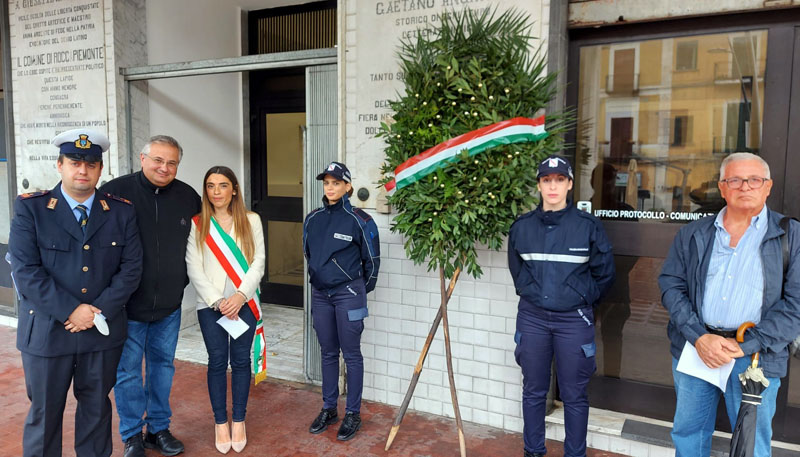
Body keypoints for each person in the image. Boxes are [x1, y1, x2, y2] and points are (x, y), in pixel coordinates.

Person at [8, 129, 143, 457]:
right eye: (75, 162)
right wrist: (72, 310)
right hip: (47, 331)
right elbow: (26, 271)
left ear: (100, 169)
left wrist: (95, 311)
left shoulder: (121, 211)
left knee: (96, 412)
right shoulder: (32, 209)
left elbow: (131, 269)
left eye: (92, 164)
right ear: (60, 165)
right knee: (44, 414)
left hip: (100, 332)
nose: (83, 170)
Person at [659, 152, 800, 457]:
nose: (745, 186)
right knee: (688, 433)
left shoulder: (792, 236)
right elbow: (671, 285)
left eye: (754, 180)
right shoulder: (694, 233)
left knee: (751, 443)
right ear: (722, 188)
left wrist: (748, 344)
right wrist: (698, 336)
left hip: (755, 355)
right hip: (698, 348)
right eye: (735, 180)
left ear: (768, 186)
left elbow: (796, 303)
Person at [507, 156, 615, 457]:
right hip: (532, 318)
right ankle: (533, 451)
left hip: (573, 320)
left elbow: (605, 273)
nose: (552, 186)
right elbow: (518, 273)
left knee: (575, 394)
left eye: (559, 180)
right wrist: (536, 294)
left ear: (569, 184)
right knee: (533, 391)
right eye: (546, 180)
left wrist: (579, 297)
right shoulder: (522, 228)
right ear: (539, 185)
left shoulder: (587, 227)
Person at [100, 135, 201, 457]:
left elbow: (202, 246)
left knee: (162, 368)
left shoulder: (188, 197)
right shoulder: (115, 193)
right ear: (142, 158)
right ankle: (131, 435)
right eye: (158, 160)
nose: (164, 167)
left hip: (168, 306)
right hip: (126, 307)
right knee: (127, 372)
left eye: (172, 162)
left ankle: (158, 429)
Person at [186, 166, 265, 454]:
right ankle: (221, 422)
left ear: (234, 189)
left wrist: (241, 296)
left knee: (241, 361)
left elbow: (259, 261)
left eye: (222, 185)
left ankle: (239, 420)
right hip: (211, 306)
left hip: (243, 303)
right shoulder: (198, 223)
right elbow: (194, 267)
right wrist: (218, 301)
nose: (216, 192)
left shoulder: (251, 220)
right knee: (218, 361)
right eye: (210, 186)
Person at [303, 161, 380, 441]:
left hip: (349, 295)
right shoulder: (313, 218)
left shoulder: (361, 220)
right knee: (327, 352)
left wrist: (356, 288)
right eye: (326, 183)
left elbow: (372, 263)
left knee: (351, 354)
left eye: (336, 183)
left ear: (348, 186)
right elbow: (309, 254)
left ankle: (353, 413)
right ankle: (329, 408)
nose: (330, 187)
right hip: (321, 295)